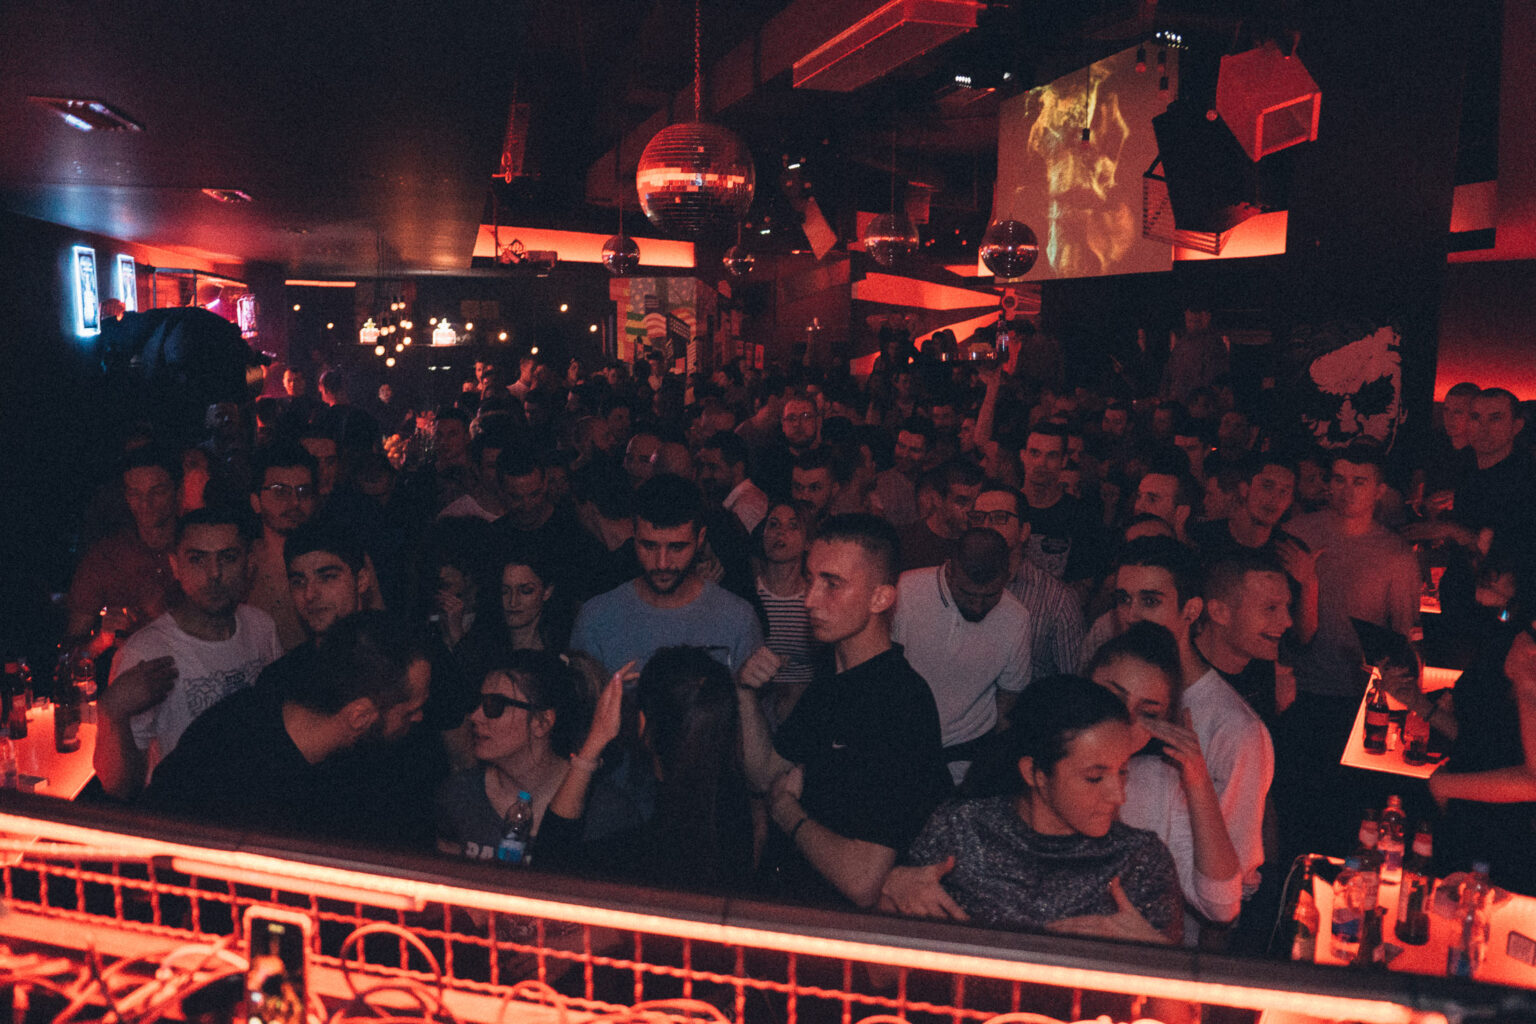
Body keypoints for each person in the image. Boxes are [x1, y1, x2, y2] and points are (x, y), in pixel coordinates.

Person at [736, 514, 949, 908]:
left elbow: (862, 879)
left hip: (840, 926)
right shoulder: (832, 681)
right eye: (810, 580)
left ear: (880, 598)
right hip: (796, 907)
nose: (810, 599)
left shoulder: (899, 702)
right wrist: (746, 693)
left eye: (832, 584)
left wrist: (786, 811)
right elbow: (764, 772)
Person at [880, 674, 1183, 944]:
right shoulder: (960, 830)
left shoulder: (1140, 860)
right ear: (1034, 773)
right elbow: (883, 975)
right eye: (1094, 777)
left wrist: (1154, 954)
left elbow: (1177, 991)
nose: (1118, 795)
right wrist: (889, 891)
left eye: (1123, 771)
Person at [145, 611, 430, 840]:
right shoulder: (237, 780)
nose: (419, 718)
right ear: (360, 716)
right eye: (410, 711)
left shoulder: (351, 751)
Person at [1110, 538, 1275, 902]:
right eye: (1123, 599)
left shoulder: (1236, 728)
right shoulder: (1108, 687)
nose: (1131, 615)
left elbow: (1236, 879)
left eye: (1150, 601)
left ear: (1191, 610)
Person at [96, 507, 283, 800]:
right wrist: (112, 712)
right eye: (197, 559)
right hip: (184, 817)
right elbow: (119, 788)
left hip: (257, 809)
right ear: (175, 565)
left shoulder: (261, 627)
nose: (214, 573)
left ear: (249, 562)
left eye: (228, 557)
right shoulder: (146, 651)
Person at [1087, 623, 1243, 938]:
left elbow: (1222, 906)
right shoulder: (1041, 768)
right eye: (1113, 698)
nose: (1126, 721)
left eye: (1148, 714)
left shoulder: (1160, 782)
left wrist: (1198, 778)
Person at [435, 650, 630, 863]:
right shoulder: (460, 795)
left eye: (494, 705)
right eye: (477, 702)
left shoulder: (604, 811)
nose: (475, 716)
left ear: (542, 722)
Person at [570, 474, 762, 677]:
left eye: (677, 547)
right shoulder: (597, 619)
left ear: (700, 539)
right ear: (634, 536)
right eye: (649, 546)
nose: (662, 563)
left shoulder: (738, 620)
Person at [892, 528, 1032, 784]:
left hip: (967, 756)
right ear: (949, 570)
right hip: (900, 747)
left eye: (990, 596)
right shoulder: (904, 592)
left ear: (1007, 576)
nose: (977, 606)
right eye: (968, 594)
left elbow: (1009, 698)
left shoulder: (1017, 618)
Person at [66, 448, 182, 641]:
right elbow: (72, 648)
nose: (145, 504)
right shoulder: (105, 558)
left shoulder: (201, 548)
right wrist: (103, 638)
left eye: (157, 492)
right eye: (135, 494)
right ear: (126, 496)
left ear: (178, 491)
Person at [245, 441, 321, 650]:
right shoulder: (241, 564)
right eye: (280, 491)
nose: (295, 502)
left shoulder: (340, 559)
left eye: (303, 491)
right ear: (256, 501)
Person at [753, 500, 819, 728]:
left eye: (793, 526)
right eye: (773, 524)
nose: (780, 532)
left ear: (808, 542)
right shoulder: (749, 595)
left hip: (805, 715)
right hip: (756, 715)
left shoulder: (814, 599)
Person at [896, 459, 984, 571]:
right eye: (961, 502)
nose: (971, 510)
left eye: (976, 501)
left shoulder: (979, 544)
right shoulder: (905, 542)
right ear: (937, 499)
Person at [696, 430, 767, 534]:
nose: (704, 475)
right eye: (702, 467)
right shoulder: (733, 502)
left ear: (737, 468)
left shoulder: (746, 506)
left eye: (713, 467)